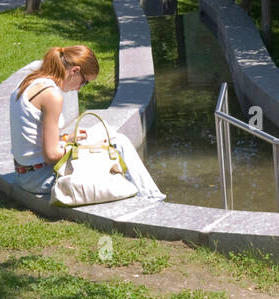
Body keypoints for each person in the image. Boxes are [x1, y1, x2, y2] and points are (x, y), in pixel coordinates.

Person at [9, 45, 164, 200]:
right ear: (74, 70)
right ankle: (152, 198)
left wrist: (66, 139)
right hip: (40, 177)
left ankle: (147, 196)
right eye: (84, 82)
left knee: (108, 134)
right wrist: (90, 149)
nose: (79, 89)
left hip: (28, 172)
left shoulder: (32, 82)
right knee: (118, 144)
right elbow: (51, 155)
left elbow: (34, 138)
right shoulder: (52, 96)